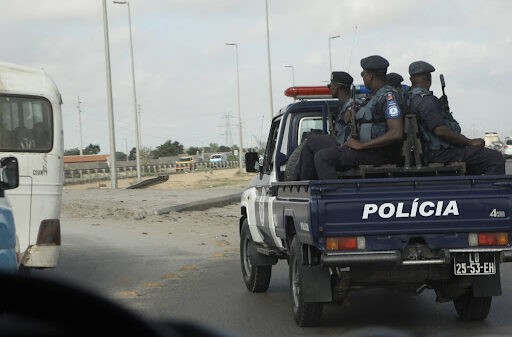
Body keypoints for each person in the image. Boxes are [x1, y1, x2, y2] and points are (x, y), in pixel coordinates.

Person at [313, 55, 404, 180]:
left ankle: (332, 197)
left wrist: (361, 145)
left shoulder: (389, 97)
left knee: (323, 157)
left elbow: (396, 133)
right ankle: (299, 191)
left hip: (377, 153)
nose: (363, 77)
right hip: (368, 150)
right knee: (312, 144)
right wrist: (353, 112)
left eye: (363, 74)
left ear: (370, 76)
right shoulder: (375, 96)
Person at [406, 60, 505, 175]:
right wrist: (469, 142)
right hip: (440, 153)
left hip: (430, 152)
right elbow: (440, 130)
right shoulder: (426, 100)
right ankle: (491, 192)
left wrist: (442, 108)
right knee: (494, 158)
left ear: (411, 79)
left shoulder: (411, 98)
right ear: (429, 78)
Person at [291, 71, 354, 180]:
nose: (330, 89)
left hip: (347, 145)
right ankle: (301, 181)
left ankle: (304, 183)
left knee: (311, 141)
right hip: (342, 143)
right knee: (310, 146)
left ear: (339, 87)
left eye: (331, 86)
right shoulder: (343, 104)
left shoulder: (351, 105)